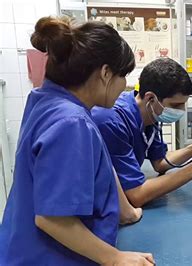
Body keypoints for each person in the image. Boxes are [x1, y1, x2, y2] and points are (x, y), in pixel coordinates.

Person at [0, 17, 155, 265]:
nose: (124, 86)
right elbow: (52, 219)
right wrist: (114, 258)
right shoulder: (71, 122)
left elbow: (98, 163)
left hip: (19, 248)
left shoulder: (47, 100)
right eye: (123, 76)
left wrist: (124, 210)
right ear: (105, 73)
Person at [91, 58, 192, 208]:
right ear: (151, 98)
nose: (181, 111)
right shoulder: (112, 121)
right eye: (176, 105)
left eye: (184, 104)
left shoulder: (150, 115)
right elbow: (136, 195)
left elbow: (161, 163)